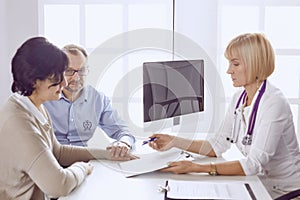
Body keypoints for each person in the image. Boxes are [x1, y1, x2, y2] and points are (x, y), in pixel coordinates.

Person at [147, 33, 300, 199]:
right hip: (259, 183)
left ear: (255, 64)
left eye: (235, 64)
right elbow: (217, 145)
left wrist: (195, 168)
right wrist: (175, 141)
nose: (229, 71)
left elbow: (254, 164)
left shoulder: (274, 102)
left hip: (287, 191)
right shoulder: (238, 98)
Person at [0, 37, 136, 200]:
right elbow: (59, 185)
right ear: (35, 80)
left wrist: (106, 154)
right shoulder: (20, 122)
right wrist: (83, 167)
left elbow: (57, 151)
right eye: (58, 77)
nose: (65, 82)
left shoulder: (36, 105)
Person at [44, 44, 135, 158]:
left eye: (81, 70)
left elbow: (123, 131)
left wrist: (123, 143)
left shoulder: (98, 100)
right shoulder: (44, 98)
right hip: (50, 160)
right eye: (69, 71)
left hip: (84, 161)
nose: (77, 78)